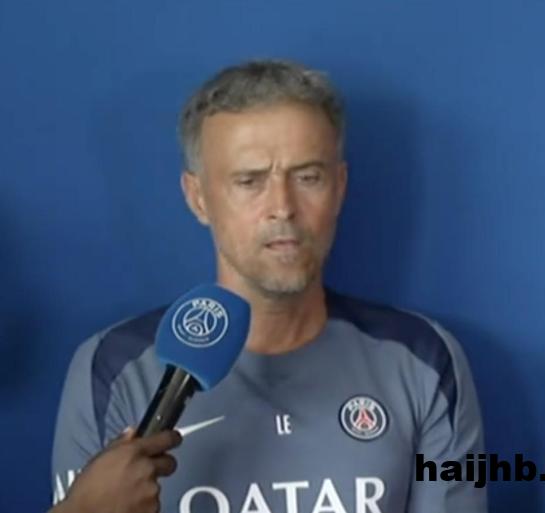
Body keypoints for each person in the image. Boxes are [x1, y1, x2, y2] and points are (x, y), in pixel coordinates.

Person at [50, 59, 487, 513]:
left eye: (308, 177)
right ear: (198, 198)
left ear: (339, 187)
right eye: (249, 181)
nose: (282, 206)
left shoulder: (425, 362)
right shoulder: (113, 369)